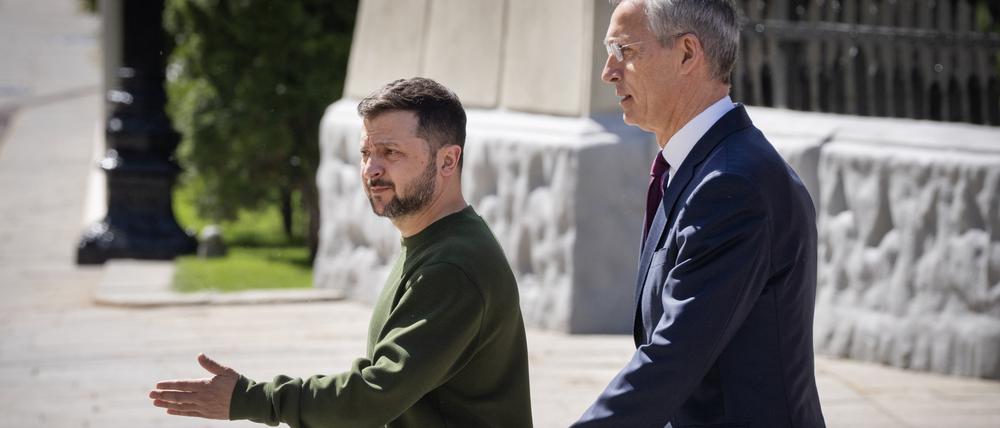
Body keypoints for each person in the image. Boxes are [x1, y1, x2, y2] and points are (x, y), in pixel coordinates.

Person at [148, 77, 533, 428]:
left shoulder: (453, 266)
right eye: (366, 152)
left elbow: (374, 396)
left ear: (447, 160)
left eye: (390, 152)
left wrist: (252, 399)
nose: (371, 169)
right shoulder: (432, 242)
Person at [572, 1, 825, 427]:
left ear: (688, 54)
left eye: (625, 51)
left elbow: (672, 357)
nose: (608, 71)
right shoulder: (705, 168)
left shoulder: (734, 183)